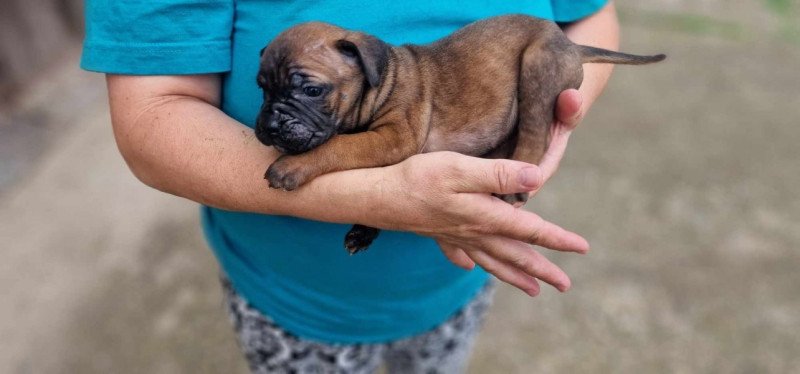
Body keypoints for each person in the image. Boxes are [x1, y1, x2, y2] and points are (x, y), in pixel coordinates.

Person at [82, 0, 619, 372]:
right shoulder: (360, 77)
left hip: (457, 285)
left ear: (369, 65)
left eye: (310, 92)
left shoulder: (392, 84)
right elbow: (149, 116)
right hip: (297, 304)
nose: (274, 120)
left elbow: (592, 17)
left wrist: (532, 154)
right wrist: (374, 202)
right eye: (269, 95)